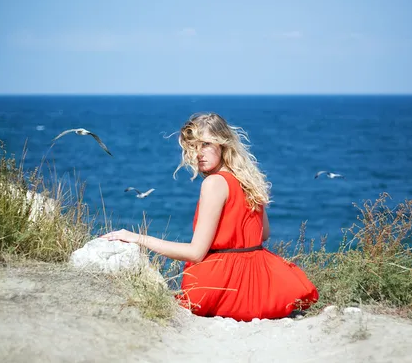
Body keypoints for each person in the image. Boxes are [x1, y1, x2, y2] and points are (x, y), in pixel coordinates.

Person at [101, 113, 318, 321]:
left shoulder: (214, 183)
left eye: (205, 144)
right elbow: (264, 234)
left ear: (223, 144)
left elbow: (195, 253)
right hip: (263, 283)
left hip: (221, 285)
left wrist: (139, 238)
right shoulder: (248, 181)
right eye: (193, 146)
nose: (198, 154)